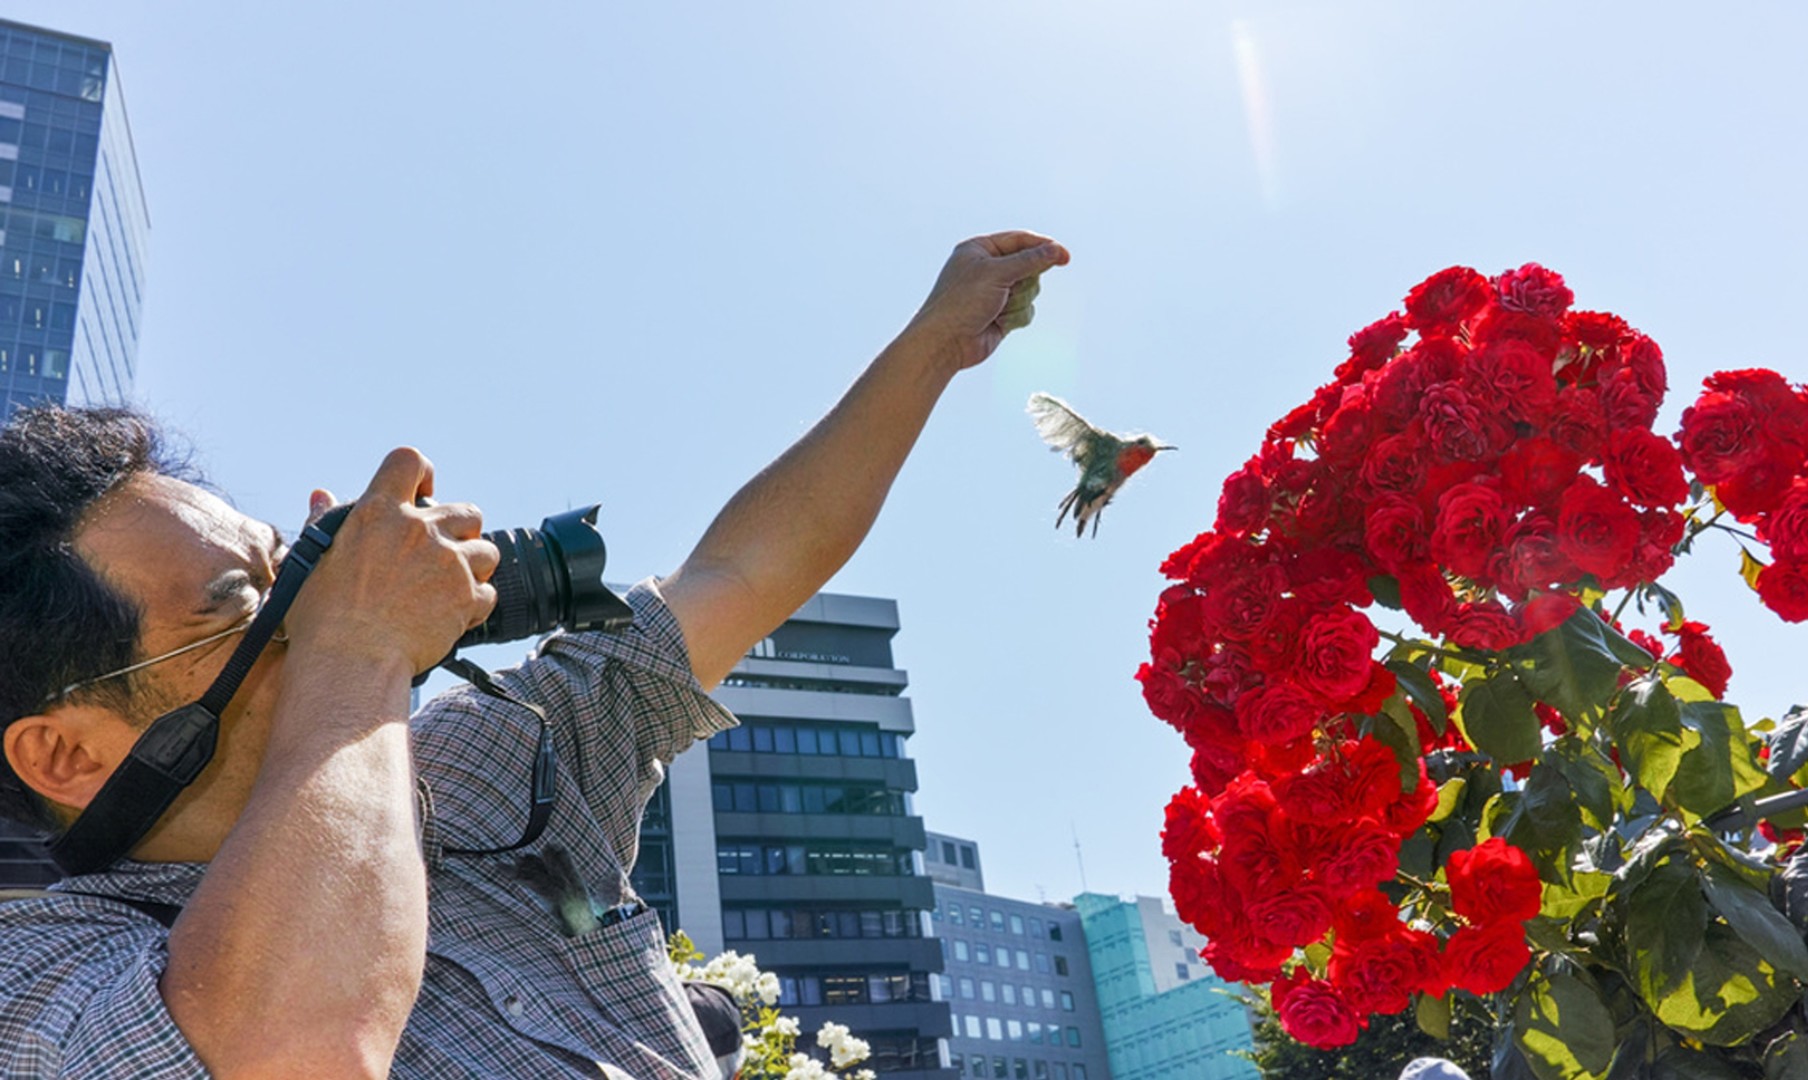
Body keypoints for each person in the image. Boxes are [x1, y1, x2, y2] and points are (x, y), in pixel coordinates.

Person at [0, 230, 1069, 1079]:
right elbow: (290, 1054)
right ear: (63, 754)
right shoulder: (38, 985)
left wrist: (935, 342)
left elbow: (735, 577)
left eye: (291, 561)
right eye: (239, 597)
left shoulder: (473, 769)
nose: (304, 604)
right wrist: (361, 648)